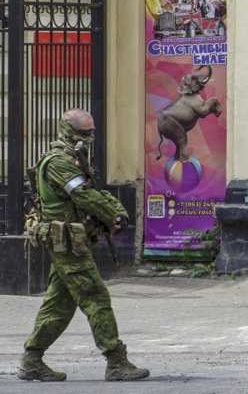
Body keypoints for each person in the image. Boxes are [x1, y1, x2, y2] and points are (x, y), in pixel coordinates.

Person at [18, 109, 150, 382]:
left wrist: (115, 211)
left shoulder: (75, 160)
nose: (90, 138)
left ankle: (31, 360)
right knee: (96, 297)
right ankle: (116, 360)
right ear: (67, 131)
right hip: (67, 244)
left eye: (92, 132)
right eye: (84, 133)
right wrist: (112, 215)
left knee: (58, 305)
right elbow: (83, 195)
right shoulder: (58, 163)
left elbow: (95, 191)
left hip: (74, 242)